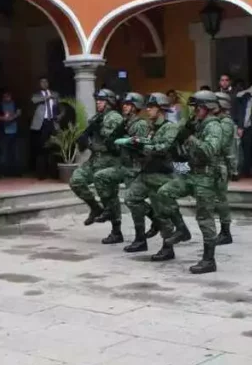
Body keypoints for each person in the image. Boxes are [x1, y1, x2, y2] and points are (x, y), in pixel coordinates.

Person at [152, 90, 225, 273]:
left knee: (204, 218)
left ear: (206, 108)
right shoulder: (197, 124)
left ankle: (209, 260)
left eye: (197, 107)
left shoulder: (214, 126)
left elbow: (209, 150)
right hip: (190, 172)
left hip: (207, 177)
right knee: (164, 193)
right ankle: (181, 229)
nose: (194, 111)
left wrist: (190, 138)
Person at [119, 93, 184, 258]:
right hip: (146, 172)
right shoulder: (150, 126)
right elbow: (147, 144)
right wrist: (135, 145)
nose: (148, 110)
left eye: (151, 107)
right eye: (147, 106)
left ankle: (168, 247)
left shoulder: (170, 127)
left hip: (160, 174)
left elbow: (163, 147)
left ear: (160, 109)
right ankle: (149, 228)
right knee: (131, 198)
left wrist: (144, 145)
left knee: (162, 211)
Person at [94, 92, 150, 245]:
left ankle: (140, 238)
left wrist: (124, 141)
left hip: (135, 168)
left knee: (133, 202)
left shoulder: (140, 124)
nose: (124, 106)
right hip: (123, 166)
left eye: (128, 104)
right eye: (124, 104)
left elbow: (140, 147)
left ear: (135, 107)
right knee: (100, 177)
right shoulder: (125, 122)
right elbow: (112, 141)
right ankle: (109, 211)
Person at [70, 89, 124, 226]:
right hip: (95, 159)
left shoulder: (114, 117)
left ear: (109, 102)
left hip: (110, 160)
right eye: (97, 100)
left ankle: (116, 230)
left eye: (101, 100)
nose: (98, 102)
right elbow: (89, 137)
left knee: (111, 196)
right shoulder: (97, 117)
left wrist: (97, 128)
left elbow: (111, 137)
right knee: (76, 180)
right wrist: (84, 140)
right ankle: (95, 208)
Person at [212, 92, 238, 245]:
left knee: (220, 199)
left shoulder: (226, 122)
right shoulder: (216, 120)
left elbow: (222, 144)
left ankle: (225, 232)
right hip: (214, 164)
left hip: (221, 164)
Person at [30, 78, 59, 179]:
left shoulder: (55, 94)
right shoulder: (36, 95)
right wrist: (47, 97)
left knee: (53, 148)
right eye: (42, 82)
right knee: (41, 148)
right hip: (41, 124)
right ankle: (41, 174)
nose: (44, 84)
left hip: (52, 122)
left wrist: (59, 116)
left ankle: (54, 173)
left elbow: (59, 106)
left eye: (46, 81)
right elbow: (34, 101)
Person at [0, 90, 21, 177]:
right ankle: (1, 173)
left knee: (15, 153)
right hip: (3, 132)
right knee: (3, 153)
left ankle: (16, 172)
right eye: (5, 96)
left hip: (14, 131)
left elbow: (19, 113)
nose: (7, 97)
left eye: (9, 95)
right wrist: (3, 119)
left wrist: (12, 118)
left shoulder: (15, 103)